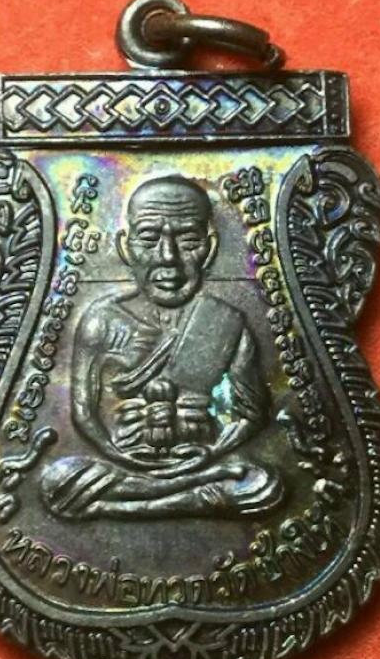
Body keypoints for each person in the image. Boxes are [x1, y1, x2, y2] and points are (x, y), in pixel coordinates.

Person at [40, 175, 282, 519]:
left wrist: (211, 453)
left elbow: (252, 414)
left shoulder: (224, 321)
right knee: (58, 481)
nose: (168, 257)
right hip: (123, 464)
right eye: (149, 238)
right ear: (126, 247)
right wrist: (120, 455)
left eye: (188, 240)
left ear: (209, 248)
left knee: (265, 482)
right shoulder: (102, 320)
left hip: (201, 461)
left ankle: (133, 504)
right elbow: (84, 414)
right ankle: (186, 498)